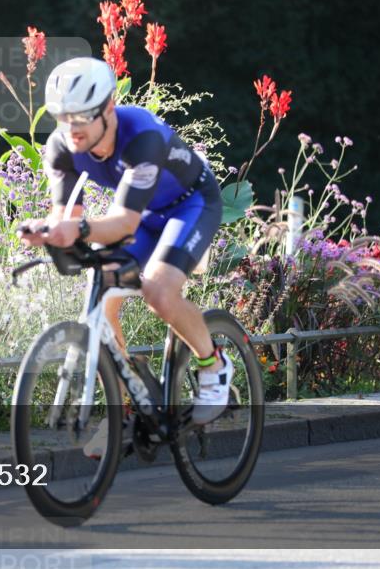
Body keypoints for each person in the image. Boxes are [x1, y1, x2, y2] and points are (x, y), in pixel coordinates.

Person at [18, 57, 230, 459]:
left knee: (158, 291)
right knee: (102, 294)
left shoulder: (141, 137)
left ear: (109, 107)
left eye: (81, 116)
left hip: (191, 205)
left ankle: (213, 364)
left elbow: (122, 222)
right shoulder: (61, 146)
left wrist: (76, 232)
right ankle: (126, 412)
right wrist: (46, 231)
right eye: (63, 117)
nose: (72, 127)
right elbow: (68, 217)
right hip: (147, 217)